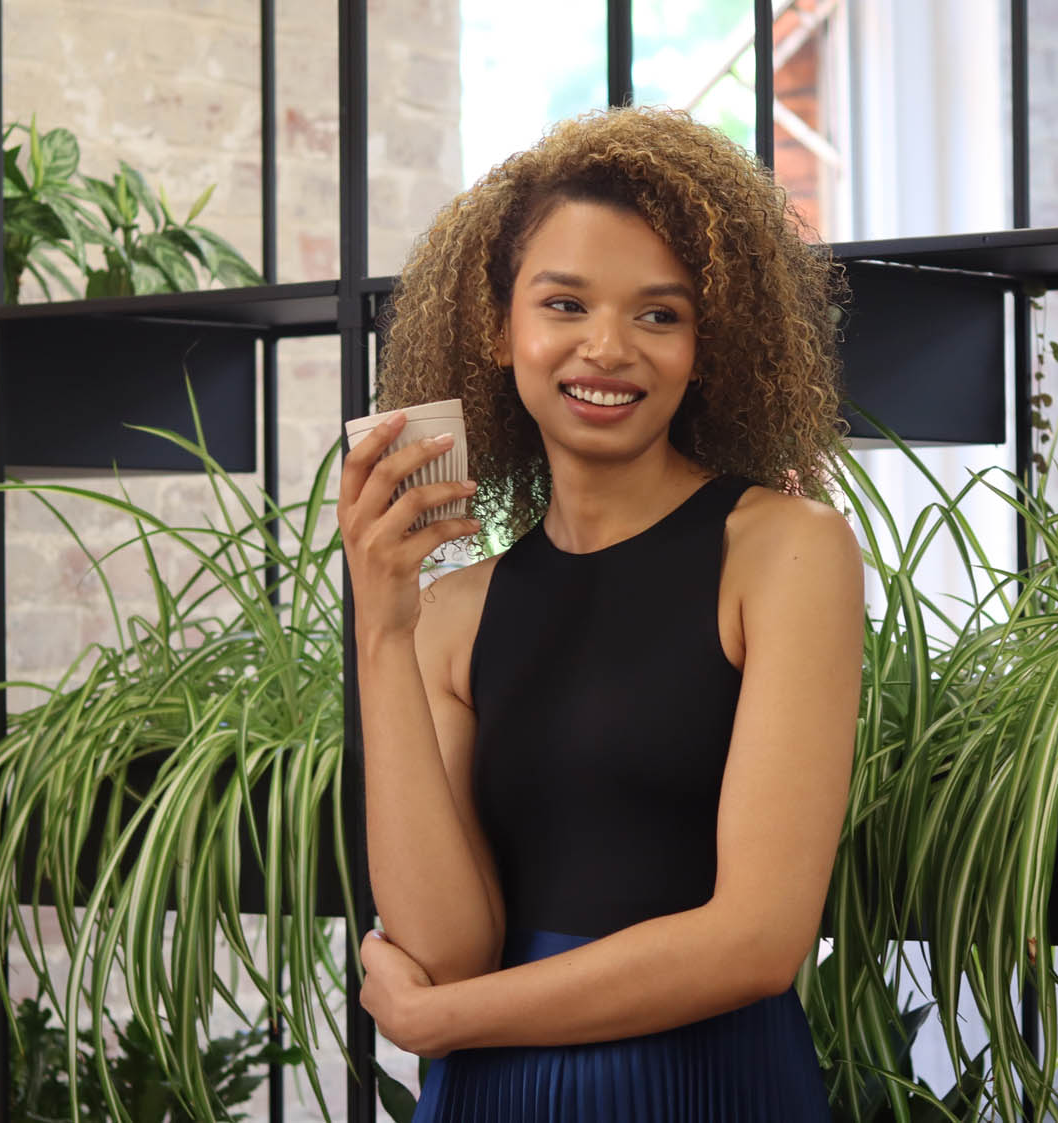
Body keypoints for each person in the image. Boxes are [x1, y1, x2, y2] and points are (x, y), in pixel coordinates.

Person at [337, 104, 864, 1121]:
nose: (607, 347)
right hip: (493, 1095)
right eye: (564, 304)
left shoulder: (785, 551)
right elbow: (445, 944)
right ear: (498, 328)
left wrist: (448, 1023)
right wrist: (381, 626)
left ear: (710, 342)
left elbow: (756, 939)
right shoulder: (450, 610)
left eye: (659, 314)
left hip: (702, 1084)